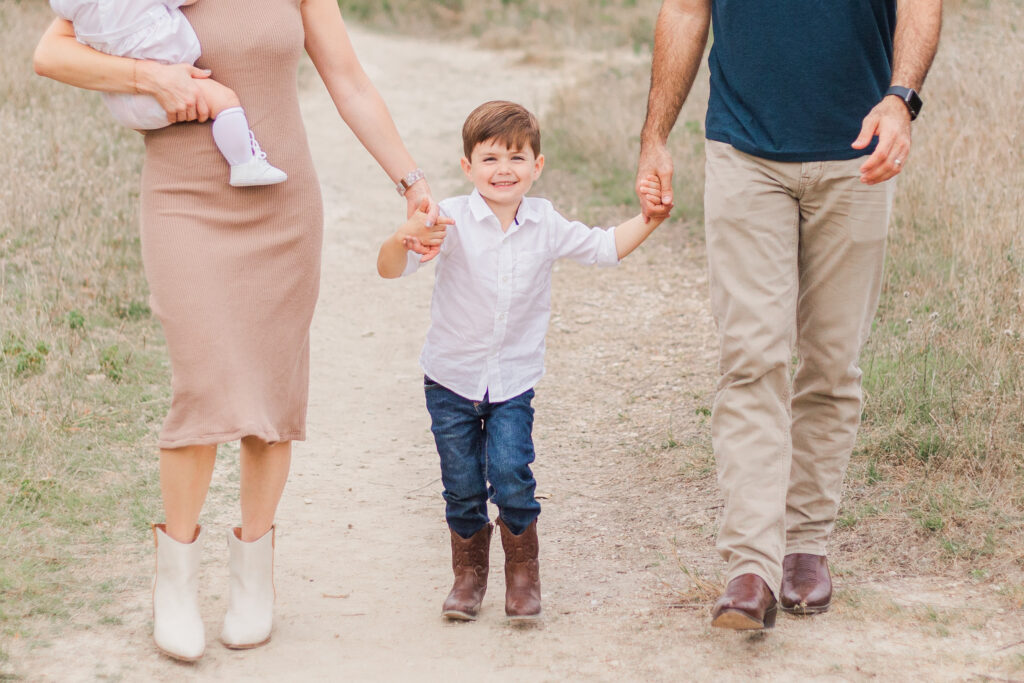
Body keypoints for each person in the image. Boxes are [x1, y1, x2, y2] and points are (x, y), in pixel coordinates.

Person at [34, 0, 438, 661]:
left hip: (282, 203)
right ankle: (177, 580)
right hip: (182, 198)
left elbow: (348, 79)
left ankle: (254, 571)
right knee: (203, 382)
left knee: (273, 391)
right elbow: (51, 53)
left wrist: (411, 182)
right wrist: (149, 77)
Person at [635, 0, 942, 630]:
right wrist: (654, 135)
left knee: (831, 364)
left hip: (858, 153)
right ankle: (750, 566)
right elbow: (687, 12)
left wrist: (902, 99)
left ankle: (806, 544)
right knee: (751, 358)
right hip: (743, 150)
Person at [377, 100, 666, 623]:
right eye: (489, 159)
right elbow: (393, 270)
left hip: (513, 381)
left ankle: (523, 577)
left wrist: (649, 219)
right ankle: (468, 578)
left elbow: (604, 248)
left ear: (537, 165)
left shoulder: (546, 222)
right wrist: (400, 239)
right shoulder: (449, 219)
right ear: (467, 167)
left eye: (516, 157)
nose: (503, 170)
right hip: (451, 379)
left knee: (512, 473)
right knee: (461, 483)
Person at [49, 0, 287, 187]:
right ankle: (245, 163)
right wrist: (151, 78)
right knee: (225, 101)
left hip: (120, 102)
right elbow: (46, 56)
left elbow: (63, 13)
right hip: (168, 81)